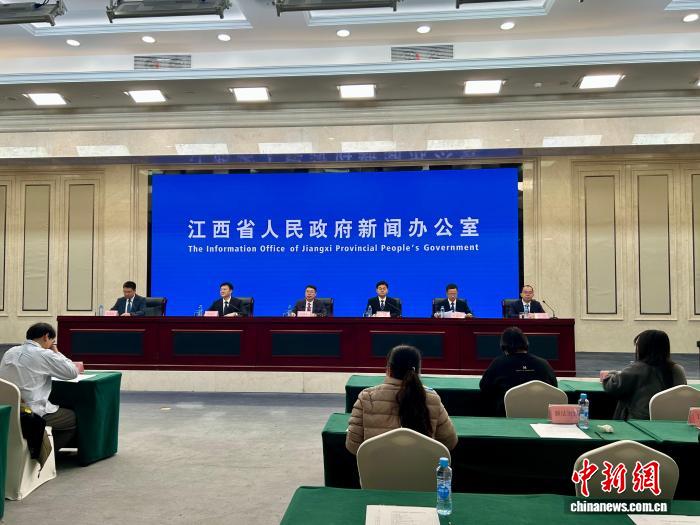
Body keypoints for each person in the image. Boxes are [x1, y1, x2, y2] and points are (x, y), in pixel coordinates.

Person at [346, 345, 457, 454]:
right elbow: (449, 442)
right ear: (418, 371)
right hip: (420, 466)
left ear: (389, 369)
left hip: (377, 466)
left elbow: (353, 445)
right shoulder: (432, 398)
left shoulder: (366, 397)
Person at [0, 323, 79, 450]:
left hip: (7, 410)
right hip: (30, 414)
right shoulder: (44, 354)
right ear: (46, 337)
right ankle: (44, 454)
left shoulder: (10, 352)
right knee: (72, 417)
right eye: (53, 341)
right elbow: (72, 372)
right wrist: (56, 351)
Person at [603, 330, 687, 420]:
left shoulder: (637, 368)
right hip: (673, 420)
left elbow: (612, 386)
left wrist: (610, 374)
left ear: (643, 348)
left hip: (639, 420)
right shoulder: (678, 369)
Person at [479, 326, 557, 416]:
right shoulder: (543, 364)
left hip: (506, 417)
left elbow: (485, 388)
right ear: (525, 343)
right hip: (542, 416)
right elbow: (554, 387)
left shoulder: (498, 363)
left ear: (504, 346)